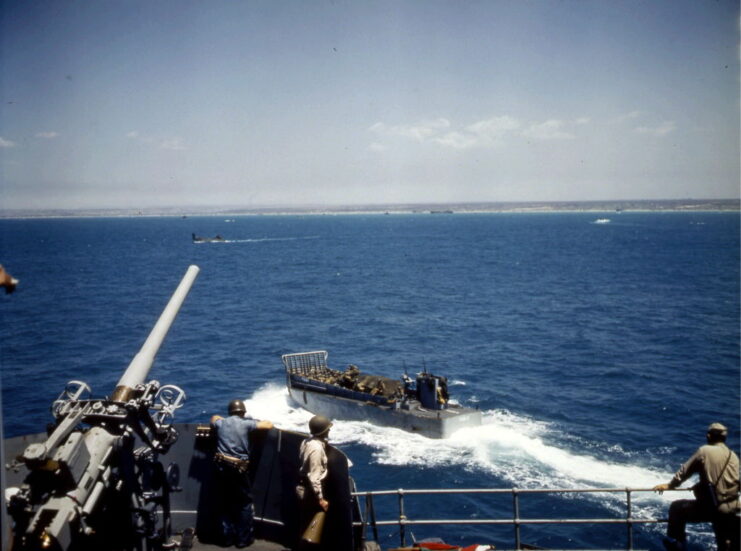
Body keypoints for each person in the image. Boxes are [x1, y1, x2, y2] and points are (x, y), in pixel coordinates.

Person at [653, 423, 740, 551]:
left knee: (676, 508)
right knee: (726, 543)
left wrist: (670, 485)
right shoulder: (733, 456)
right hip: (734, 508)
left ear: (708, 436)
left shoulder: (704, 451)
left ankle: (677, 544)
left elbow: (684, 472)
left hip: (713, 508)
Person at [210, 399, 274, 548]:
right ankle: (242, 539)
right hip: (238, 468)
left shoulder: (221, 423)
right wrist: (253, 421)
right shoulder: (246, 423)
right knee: (244, 503)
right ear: (242, 412)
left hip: (221, 465)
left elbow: (214, 418)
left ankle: (226, 538)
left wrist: (221, 418)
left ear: (230, 412)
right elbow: (268, 425)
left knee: (225, 501)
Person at [296, 415, 332, 547]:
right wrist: (320, 499)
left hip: (304, 487)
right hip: (312, 492)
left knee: (306, 523)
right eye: (327, 429)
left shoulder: (307, 441)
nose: (329, 431)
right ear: (323, 431)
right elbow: (314, 477)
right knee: (312, 528)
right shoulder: (316, 449)